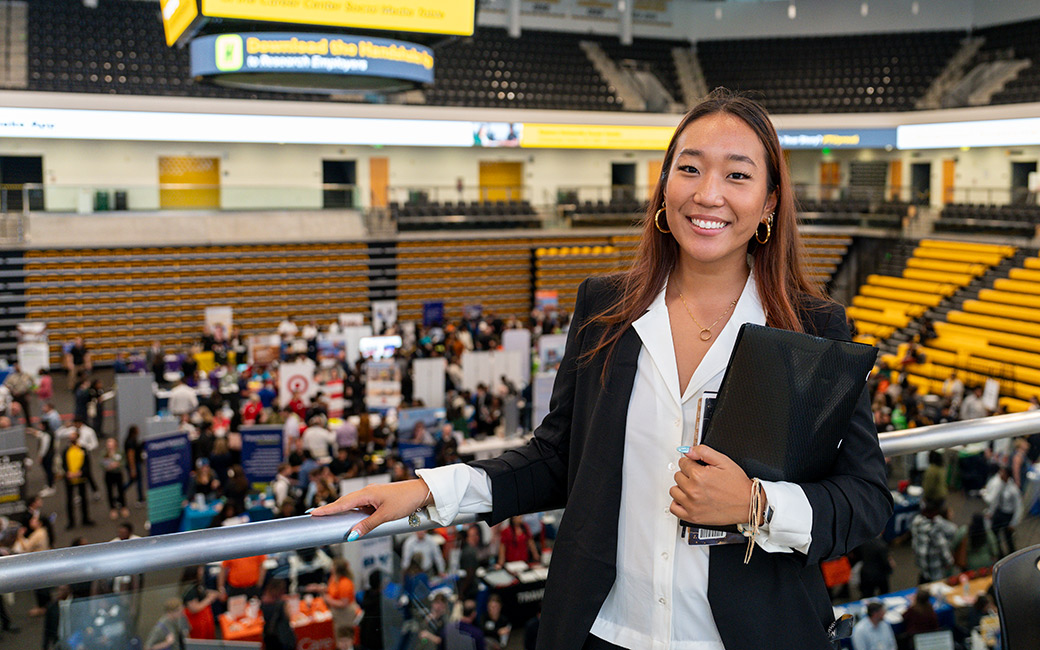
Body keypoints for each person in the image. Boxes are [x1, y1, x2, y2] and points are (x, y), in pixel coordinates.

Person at [314, 90, 892, 649]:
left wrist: (755, 505)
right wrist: (424, 490)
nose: (708, 194)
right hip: (604, 631)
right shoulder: (606, 308)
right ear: (664, 185)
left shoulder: (812, 328)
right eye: (689, 169)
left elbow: (866, 501)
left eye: (737, 175)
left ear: (769, 201)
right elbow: (558, 458)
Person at [984, 464, 1021, 556]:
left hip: (1007, 515)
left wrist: (1013, 523)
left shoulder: (1013, 490)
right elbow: (995, 500)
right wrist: (991, 512)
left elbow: (1019, 507)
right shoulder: (999, 485)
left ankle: (1012, 555)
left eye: (1002, 472)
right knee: (994, 533)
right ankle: (999, 553)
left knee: (1008, 538)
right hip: (999, 512)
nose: (1000, 474)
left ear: (1007, 475)